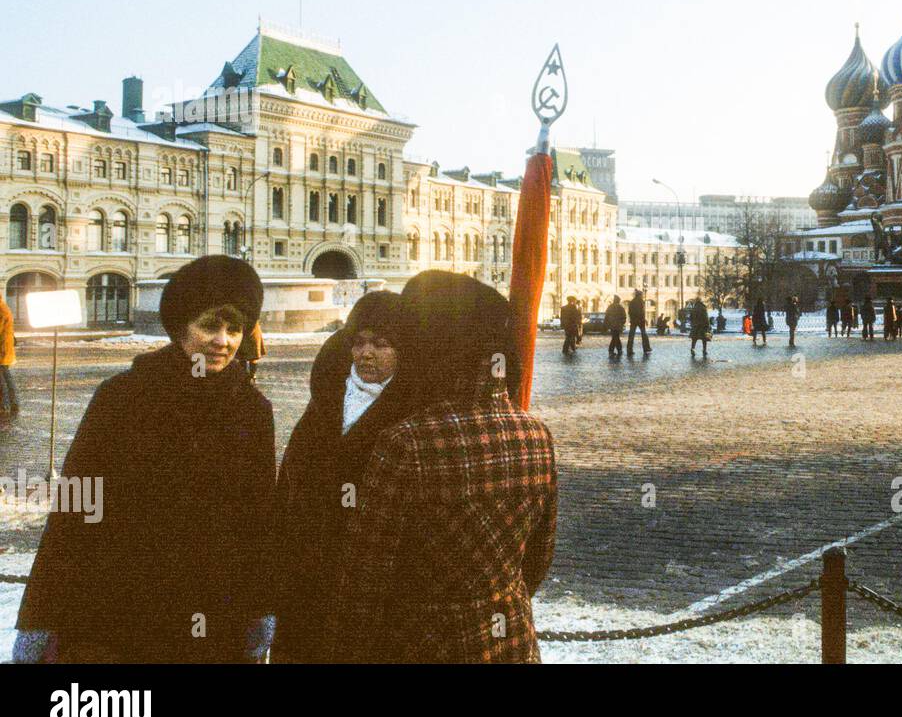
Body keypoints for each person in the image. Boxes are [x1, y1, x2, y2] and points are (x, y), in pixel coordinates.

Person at [14, 255, 275, 663]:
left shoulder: (253, 410)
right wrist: (39, 617)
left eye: (234, 329)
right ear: (180, 326)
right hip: (116, 615)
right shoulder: (122, 397)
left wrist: (259, 609)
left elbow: (259, 521)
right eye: (209, 325)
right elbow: (74, 510)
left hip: (213, 619)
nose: (222, 341)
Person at [327, 271, 557, 663]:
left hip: (420, 644)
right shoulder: (537, 435)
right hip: (511, 642)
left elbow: (366, 577)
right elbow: (539, 555)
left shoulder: (407, 443)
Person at [272, 291, 413, 664]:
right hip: (307, 573)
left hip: (371, 583)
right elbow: (289, 481)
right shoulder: (326, 400)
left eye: (381, 344)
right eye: (360, 342)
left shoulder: (412, 414)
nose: (367, 353)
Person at [0, 297, 17, 420]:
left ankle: (4, 405)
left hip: (2, 350)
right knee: (7, 378)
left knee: (2, 381)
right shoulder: (3, 307)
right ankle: (14, 404)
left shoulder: (1, 310)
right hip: (5, 349)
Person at [626, 289, 651, 357]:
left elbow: (629, 312)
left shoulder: (632, 302)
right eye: (641, 295)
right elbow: (642, 312)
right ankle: (646, 348)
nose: (642, 296)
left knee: (631, 335)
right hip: (640, 320)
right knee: (644, 335)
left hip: (634, 320)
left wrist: (632, 318)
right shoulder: (641, 301)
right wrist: (644, 319)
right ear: (639, 295)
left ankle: (629, 349)